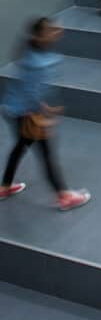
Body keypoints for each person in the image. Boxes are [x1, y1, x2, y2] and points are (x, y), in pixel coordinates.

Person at [0, 19, 90, 211]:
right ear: (38, 37)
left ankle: (4, 187)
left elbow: (30, 89)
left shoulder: (31, 52)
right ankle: (64, 195)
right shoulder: (40, 63)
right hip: (26, 114)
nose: (57, 31)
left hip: (13, 108)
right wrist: (45, 116)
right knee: (46, 153)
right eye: (51, 30)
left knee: (20, 147)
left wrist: (46, 108)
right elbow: (32, 93)